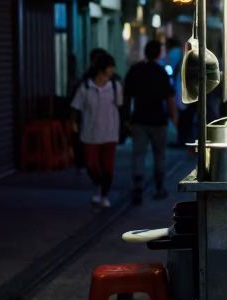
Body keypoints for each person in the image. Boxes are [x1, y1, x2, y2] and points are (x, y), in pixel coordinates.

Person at [124, 40, 177, 203]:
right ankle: (159, 187)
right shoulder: (162, 72)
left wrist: (127, 118)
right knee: (159, 155)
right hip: (158, 120)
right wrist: (174, 118)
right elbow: (170, 97)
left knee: (138, 154)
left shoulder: (135, 70)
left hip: (139, 119)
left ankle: (138, 186)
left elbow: (127, 96)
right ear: (158, 53)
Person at [70, 52, 124, 208]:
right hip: (90, 133)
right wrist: (73, 123)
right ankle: (99, 186)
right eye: (110, 67)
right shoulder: (86, 87)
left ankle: (104, 194)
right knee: (91, 165)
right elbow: (75, 107)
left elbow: (120, 107)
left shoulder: (115, 86)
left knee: (108, 167)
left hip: (110, 133)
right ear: (102, 68)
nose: (113, 70)